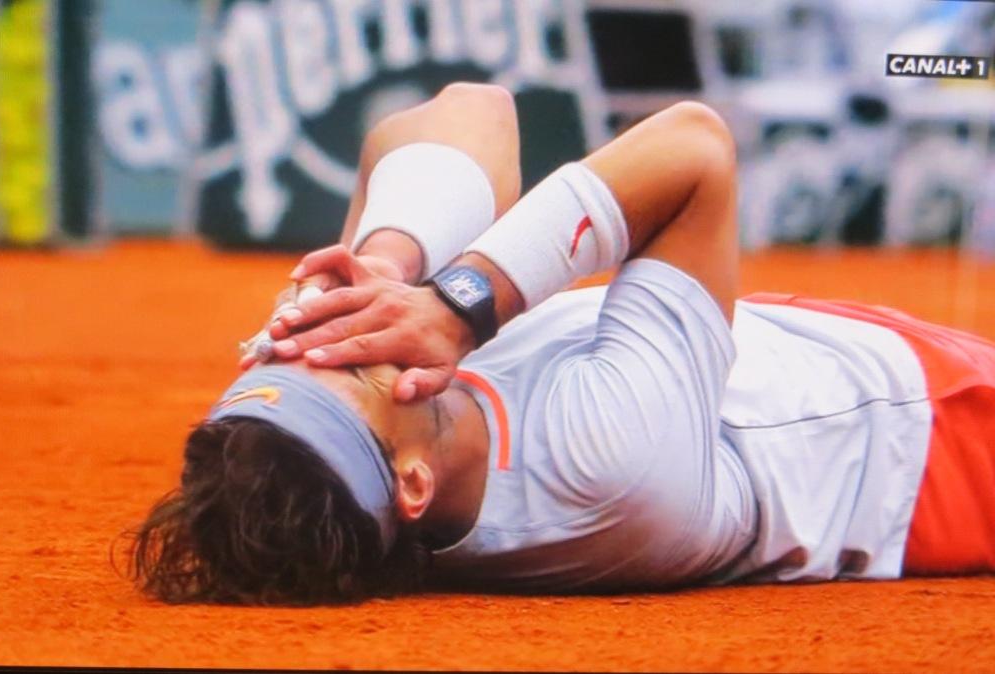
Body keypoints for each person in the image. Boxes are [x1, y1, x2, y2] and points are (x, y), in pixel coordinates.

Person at [129, 83, 995, 605]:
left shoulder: (398, 423)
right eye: (347, 371)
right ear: (413, 483)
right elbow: (695, 147)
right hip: (941, 433)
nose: (335, 342)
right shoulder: (600, 474)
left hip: (812, 356)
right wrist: (458, 303)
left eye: (287, 359)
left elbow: (472, 110)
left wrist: (383, 262)